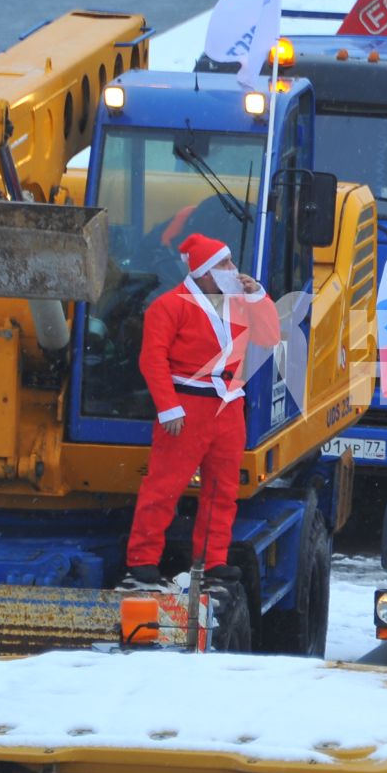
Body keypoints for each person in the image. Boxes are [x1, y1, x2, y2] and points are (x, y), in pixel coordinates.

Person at [124, 233, 282, 588]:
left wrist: (257, 295)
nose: (233, 269)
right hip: (186, 406)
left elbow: (270, 337)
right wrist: (168, 409)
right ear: (207, 272)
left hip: (228, 406)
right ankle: (142, 560)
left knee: (222, 491)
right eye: (225, 263)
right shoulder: (169, 306)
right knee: (164, 487)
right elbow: (152, 360)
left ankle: (213, 561)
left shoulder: (238, 303)